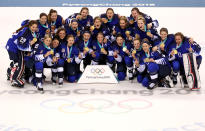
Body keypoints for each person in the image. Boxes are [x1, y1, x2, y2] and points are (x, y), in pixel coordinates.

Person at [6, 20, 38, 87]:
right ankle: (15, 79)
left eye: (35, 27)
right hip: (14, 48)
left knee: (16, 62)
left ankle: (10, 73)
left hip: (11, 46)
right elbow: (20, 45)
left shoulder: (27, 30)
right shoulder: (26, 32)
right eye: (33, 27)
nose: (34, 28)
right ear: (29, 26)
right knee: (21, 63)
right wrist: (30, 44)